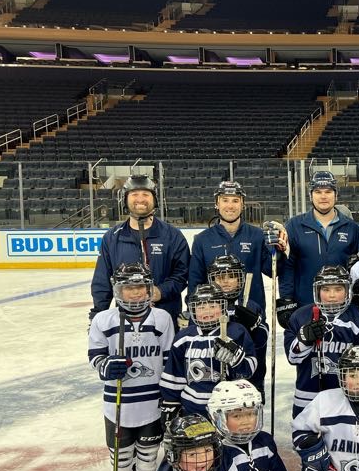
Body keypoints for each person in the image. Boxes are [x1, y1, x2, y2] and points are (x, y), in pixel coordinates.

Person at [88, 262, 174, 471]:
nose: (135, 293)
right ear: (117, 290)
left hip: (151, 398)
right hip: (118, 399)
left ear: (149, 289)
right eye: (129, 288)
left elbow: (169, 358)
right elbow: (95, 355)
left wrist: (169, 393)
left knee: (149, 447)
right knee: (121, 451)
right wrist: (106, 366)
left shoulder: (162, 318)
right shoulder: (104, 320)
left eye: (140, 287)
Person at [90, 174, 190, 326]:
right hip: (126, 320)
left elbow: (182, 274)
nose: (140, 199)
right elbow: (102, 281)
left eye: (146, 194)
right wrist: (97, 314)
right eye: (134, 194)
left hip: (165, 319)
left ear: (154, 199)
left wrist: (161, 292)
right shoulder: (112, 238)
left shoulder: (172, 236)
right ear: (125, 199)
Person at [284, 265, 359, 418]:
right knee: (306, 438)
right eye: (326, 289)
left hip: (345, 396)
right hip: (307, 395)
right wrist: (305, 339)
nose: (332, 295)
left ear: (347, 290)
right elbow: (293, 358)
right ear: (317, 290)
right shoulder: (300, 316)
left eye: (338, 289)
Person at [160, 284, 257, 421]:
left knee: (226, 442)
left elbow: (248, 371)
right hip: (191, 407)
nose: (207, 311)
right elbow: (175, 372)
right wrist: (170, 402)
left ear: (223, 307)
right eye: (201, 307)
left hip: (229, 406)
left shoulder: (236, 332)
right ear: (192, 310)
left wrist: (237, 359)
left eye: (213, 306)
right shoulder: (184, 337)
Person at [189, 180, 282, 323]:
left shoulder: (257, 235)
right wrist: (193, 314)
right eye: (225, 200)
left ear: (242, 204)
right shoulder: (202, 240)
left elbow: (273, 270)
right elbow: (195, 283)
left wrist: (279, 248)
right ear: (217, 204)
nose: (230, 206)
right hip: (214, 317)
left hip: (251, 314)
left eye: (235, 201)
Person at [278, 171, 359, 326]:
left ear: (336, 195)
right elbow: (288, 267)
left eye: (328, 191)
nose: (323, 196)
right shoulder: (294, 226)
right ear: (311, 195)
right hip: (305, 305)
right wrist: (286, 299)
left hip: (341, 306)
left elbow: (357, 266)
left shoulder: (351, 228)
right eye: (318, 192)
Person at [207, 254, 269, 401]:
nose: (226, 281)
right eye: (220, 277)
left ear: (240, 278)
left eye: (231, 276)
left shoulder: (251, 307)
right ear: (212, 280)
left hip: (248, 379)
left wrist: (255, 328)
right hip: (214, 379)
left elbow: (261, 344)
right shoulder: (205, 309)